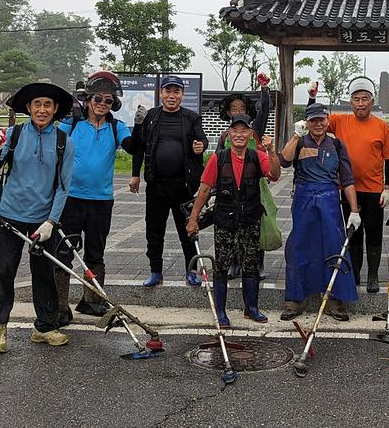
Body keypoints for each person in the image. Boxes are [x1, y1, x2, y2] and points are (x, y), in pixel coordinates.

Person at [0, 82, 75, 353]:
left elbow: (63, 187)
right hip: (7, 217)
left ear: (55, 109)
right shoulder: (14, 133)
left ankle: (45, 327)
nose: (42, 109)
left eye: (48, 104)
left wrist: (51, 222)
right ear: (28, 108)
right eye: (37, 104)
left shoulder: (63, 142)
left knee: (44, 273)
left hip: (42, 222)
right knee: (2, 272)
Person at [54, 71, 134, 325]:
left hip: (102, 199)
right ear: (88, 100)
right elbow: (51, 143)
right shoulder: (72, 124)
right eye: (98, 99)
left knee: (96, 252)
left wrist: (141, 128)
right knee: (64, 251)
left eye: (108, 101)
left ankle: (92, 300)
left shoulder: (115, 126)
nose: (102, 104)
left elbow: (132, 146)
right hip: (71, 198)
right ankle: (58, 306)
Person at [186, 114, 281, 326]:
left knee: (251, 266)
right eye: (235, 131)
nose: (239, 134)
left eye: (244, 131)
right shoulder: (218, 158)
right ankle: (220, 311)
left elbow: (274, 175)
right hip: (224, 221)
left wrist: (271, 151)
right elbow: (204, 190)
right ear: (228, 134)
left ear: (250, 135)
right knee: (221, 267)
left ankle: (252, 308)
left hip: (250, 220)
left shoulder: (258, 157)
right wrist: (193, 219)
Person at [306, 76, 389, 293]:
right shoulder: (340, 121)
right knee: (353, 233)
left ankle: (373, 275)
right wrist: (312, 98)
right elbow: (316, 119)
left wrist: (388, 188)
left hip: (374, 189)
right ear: (350, 101)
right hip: (348, 190)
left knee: (374, 233)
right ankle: (355, 274)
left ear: (372, 101)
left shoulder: (382, 126)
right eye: (356, 99)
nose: (360, 103)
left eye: (365, 98)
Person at [279, 102, 361, 321]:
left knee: (334, 247)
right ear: (307, 122)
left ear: (327, 120)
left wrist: (354, 210)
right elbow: (283, 161)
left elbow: (348, 179)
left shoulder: (336, 144)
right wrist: (295, 136)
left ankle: (335, 300)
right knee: (299, 247)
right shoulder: (299, 142)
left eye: (321, 119)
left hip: (331, 200)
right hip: (304, 200)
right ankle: (295, 301)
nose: (318, 123)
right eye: (313, 120)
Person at [129, 75, 208, 287]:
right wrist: (135, 174)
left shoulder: (191, 118)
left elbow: (202, 139)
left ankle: (191, 271)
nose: (172, 96)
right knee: (154, 231)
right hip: (156, 185)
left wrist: (201, 145)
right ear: (161, 93)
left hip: (183, 185)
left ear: (182, 95)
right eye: (168, 91)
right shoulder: (151, 117)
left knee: (188, 230)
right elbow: (139, 148)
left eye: (176, 92)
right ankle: (156, 271)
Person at [215, 73, 275, 280]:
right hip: (230, 188)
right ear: (228, 113)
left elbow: (265, 111)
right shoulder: (225, 135)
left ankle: (258, 264)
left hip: (254, 186)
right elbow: (216, 160)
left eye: (241, 108)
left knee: (257, 224)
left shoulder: (254, 130)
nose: (238, 112)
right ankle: (234, 263)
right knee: (232, 225)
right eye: (234, 109)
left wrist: (265, 90)